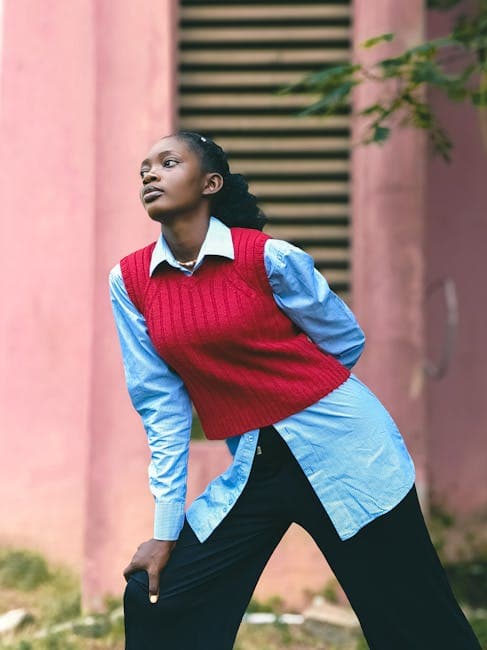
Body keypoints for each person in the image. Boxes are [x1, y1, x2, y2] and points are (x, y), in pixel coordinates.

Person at [109, 131, 481, 650]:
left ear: (210, 182)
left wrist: (292, 389)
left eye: (168, 163)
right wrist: (165, 530)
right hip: (257, 464)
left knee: (414, 621)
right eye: (144, 168)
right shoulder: (130, 282)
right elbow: (161, 406)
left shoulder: (269, 258)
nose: (150, 174)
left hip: (349, 451)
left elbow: (344, 339)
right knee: (161, 597)